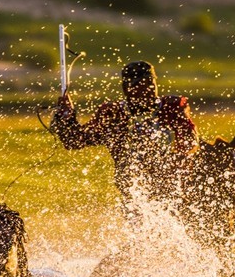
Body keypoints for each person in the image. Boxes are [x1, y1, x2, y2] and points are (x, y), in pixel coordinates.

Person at [51, 61, 197, 205]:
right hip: (134, 193)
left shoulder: (171, 108)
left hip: (173, 189)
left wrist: (173, 163)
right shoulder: (113, 115)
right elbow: (74, 140)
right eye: (142, 85)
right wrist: (66, 117)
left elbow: (191, 141)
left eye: (152, 83)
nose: (150, 89)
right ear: (127, 89)